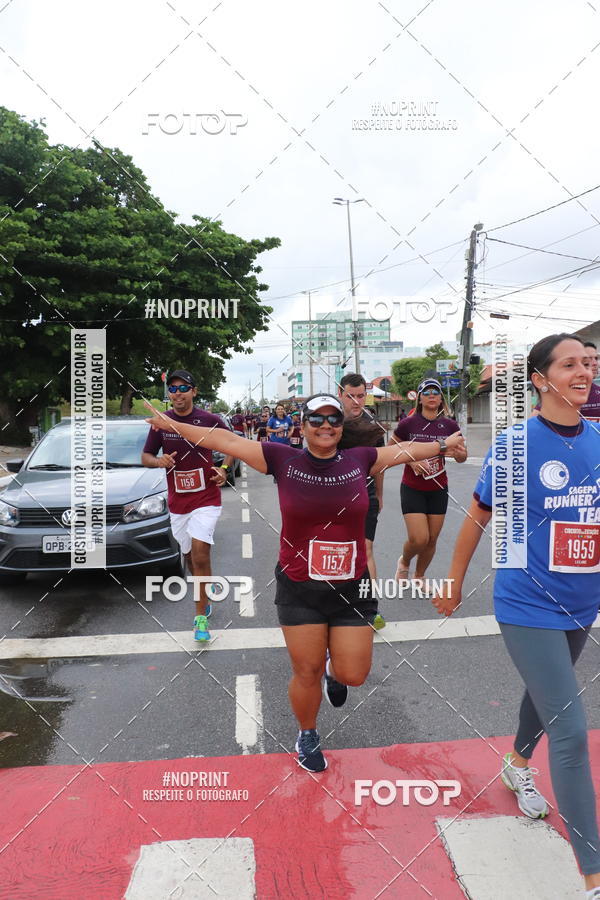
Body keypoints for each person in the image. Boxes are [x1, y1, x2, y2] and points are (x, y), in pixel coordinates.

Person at [143, 393, 465, 773]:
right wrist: (173, 427)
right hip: (299, 588)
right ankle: (307, 733)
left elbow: (405, 451)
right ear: (303, 424)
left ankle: (335, 670)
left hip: (352, 588)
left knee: (353, 674)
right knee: (306, 670)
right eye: (317, 419)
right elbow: (225, 441)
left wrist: (443, 444)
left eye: (333, 419)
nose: (326, 425)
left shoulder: (358, 459)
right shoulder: (282, 459)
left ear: (341, 426)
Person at [433, 334, 600, 898]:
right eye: (572, 363)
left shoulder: (599, 439)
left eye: (590, 363)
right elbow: (479, 515)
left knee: (546, 694)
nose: (585, 370)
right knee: (572, 733)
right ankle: (593, 876)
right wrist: (453, 581)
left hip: (582, 602)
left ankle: (516, 762)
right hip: (527, 602)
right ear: (540, 378)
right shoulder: (516, 444)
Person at [142, 370, 233, 642]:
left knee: (201, 552)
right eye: (173, 389)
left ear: (194, 391)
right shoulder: (162, 422)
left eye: (183, 388)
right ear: (168, 393)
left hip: (206, 498)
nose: (178, 393)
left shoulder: (210, 420)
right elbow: (146, 455)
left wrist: (224, 468)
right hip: (178, 501)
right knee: (189, 557)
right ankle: (204, 595)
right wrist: (159, 462)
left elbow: (233, 445)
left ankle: (200, 618)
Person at [388, 378, 467, 585]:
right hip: (412, 487)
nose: (432, 395)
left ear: (441, 398)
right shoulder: (408, 424)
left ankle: (419, 575)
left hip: (438, 488)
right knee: (419, 538)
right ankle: (404, 562)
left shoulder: (450, 425)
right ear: (420, 399)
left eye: (436, 392)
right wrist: (412, 460)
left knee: (432, 539)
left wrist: (458, 454)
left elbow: (462, 456)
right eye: (427, 392)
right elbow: (391, 449)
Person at [337, 373, 386, 629]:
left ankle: (370, 608)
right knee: (338, 552)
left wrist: (379, 494)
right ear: (340, 394)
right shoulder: (328, 420)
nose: (356, 402)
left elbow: (380, 464)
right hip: (332, 498)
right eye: (351, 396)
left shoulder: (373, 426)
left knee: (366, 550)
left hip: (364, 495)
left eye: (360, 396)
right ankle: (338, 604)